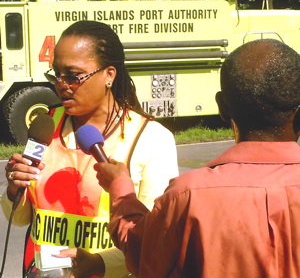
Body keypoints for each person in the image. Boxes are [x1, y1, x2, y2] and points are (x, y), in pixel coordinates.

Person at [94, 39, 300, 278]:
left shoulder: (188, 196)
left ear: (222, 107)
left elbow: (143, 255)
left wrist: (121, 190)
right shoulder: (187, 195)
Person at [1, 20, 178, 278]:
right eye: (56, 74)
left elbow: (155, 237)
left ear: (109, 74)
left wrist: (100, 263)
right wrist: (15, 190)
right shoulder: (46, 125)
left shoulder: (150, 138)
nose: (61, 84)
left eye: (73, 76)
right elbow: (20, 219)